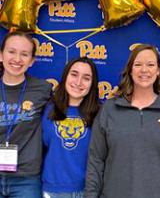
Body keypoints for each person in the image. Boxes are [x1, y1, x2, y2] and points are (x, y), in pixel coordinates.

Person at [85, 44, 160, 198]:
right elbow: (96, 161)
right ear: (130, 70)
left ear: (158, 70)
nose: (144, 70)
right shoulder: (110, 108)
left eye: (151, 65)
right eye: (138, 64)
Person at [0, 31, 52, 197]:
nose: (17, 59)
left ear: (32, 61)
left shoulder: (43, 89)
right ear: (1, 55)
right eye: (11, 52)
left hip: (26, 179)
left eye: (24, 54)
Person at [42, 57, 100, 198]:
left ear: (92, 84)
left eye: (86, 78)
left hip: (87, 191)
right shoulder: (47, 110)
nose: (78, 82)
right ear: (65, 76)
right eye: (74, 74)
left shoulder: (100, 114)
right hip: (52, 190)